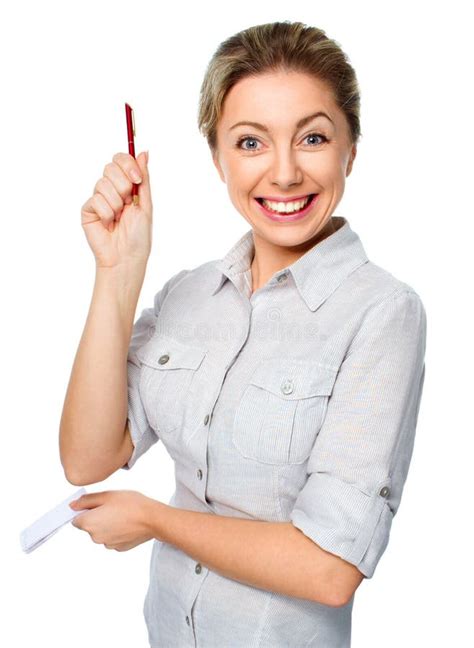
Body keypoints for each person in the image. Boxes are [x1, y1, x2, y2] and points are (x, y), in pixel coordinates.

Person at [60, 20, 427, 648]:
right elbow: (89, 457)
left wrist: (155, 520)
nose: (283, 174)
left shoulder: (382, 312)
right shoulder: (189, 294)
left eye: (312, 137)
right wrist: (118, 274)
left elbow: (330, 568)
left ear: (351, 149)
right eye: (251, 142)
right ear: (218, 157)